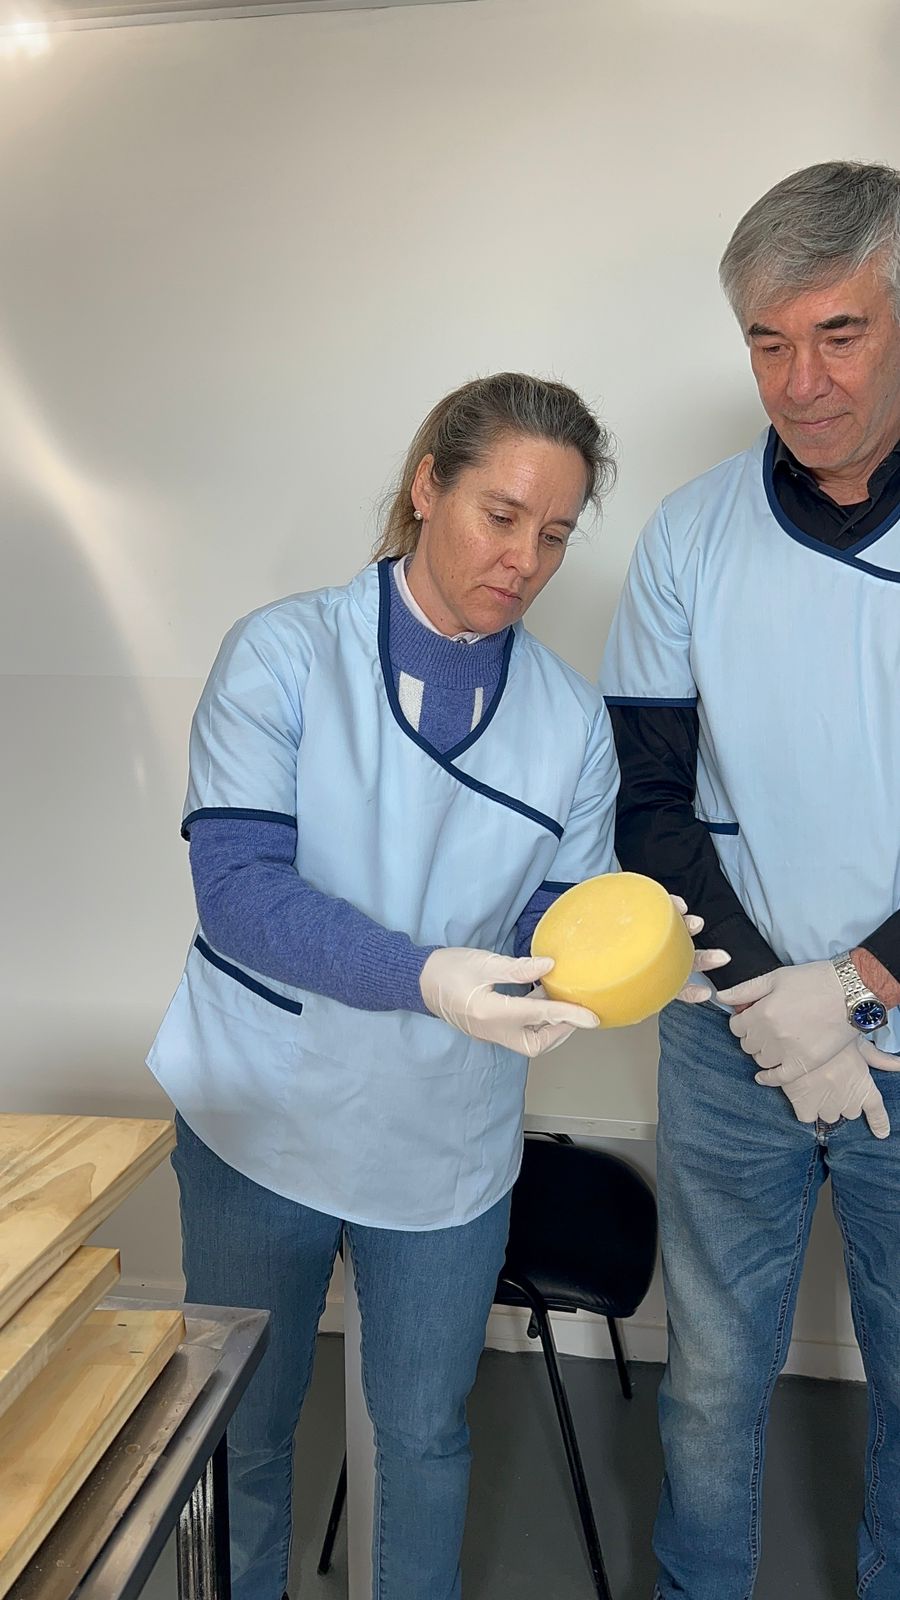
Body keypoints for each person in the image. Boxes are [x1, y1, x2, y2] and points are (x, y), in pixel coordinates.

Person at [147, 372, 718, 1600]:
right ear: (426, 487)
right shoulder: (285, 654)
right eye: (501, 515)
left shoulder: (567, 722)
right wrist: (425, 975)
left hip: (442, 1139)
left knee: (423, 1437)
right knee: (245, 1426)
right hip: (263, 1109)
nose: (525, 559)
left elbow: (544, 919)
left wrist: (638, 956)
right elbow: (237, 890)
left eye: (554, 533)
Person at [600, 161, 900, 1600]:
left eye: (840, 332)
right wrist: (772, 997)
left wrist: (861, 982)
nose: (801, 381)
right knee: (713, 1384)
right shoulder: (690, 534)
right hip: (733, 1037)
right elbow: (646, 802)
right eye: (768, 343)